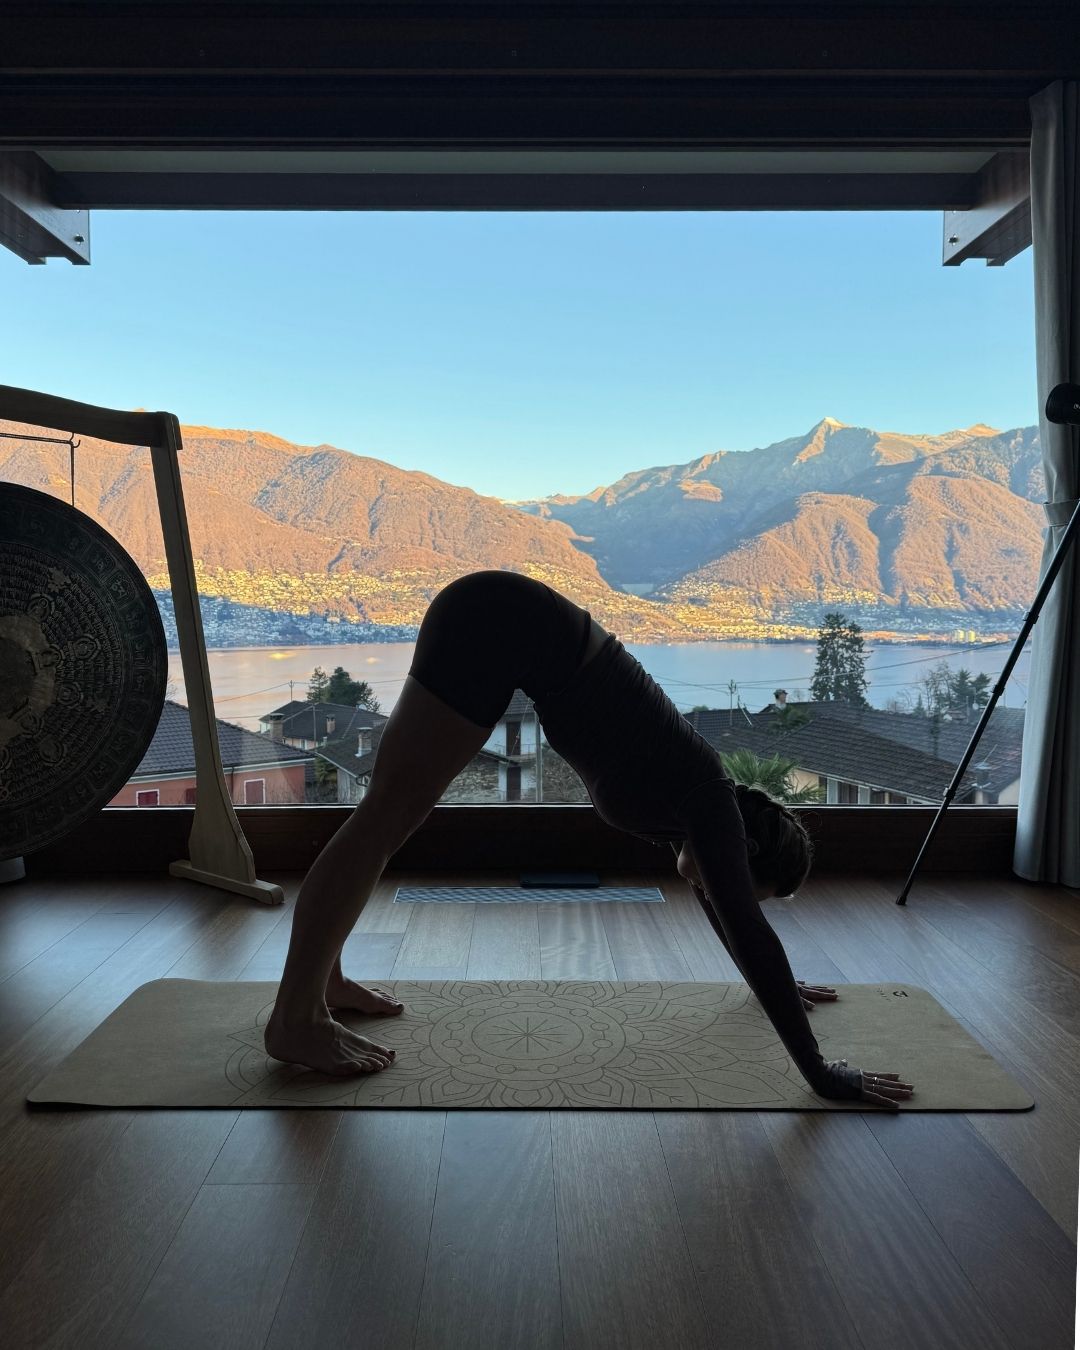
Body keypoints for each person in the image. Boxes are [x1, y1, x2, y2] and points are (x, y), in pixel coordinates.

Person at [264, 569, 914, 1110]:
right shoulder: (708, 804)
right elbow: (748, 926)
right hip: (496, 622)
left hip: (498, 618)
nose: (718, 888)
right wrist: (822, 1074)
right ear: (743, 855)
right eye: (748, 884)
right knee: (382, 820)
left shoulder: (687, 808)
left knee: (386, 820)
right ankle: (296, 1020)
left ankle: (326, 982)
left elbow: (733, 918)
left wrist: (770, 983)